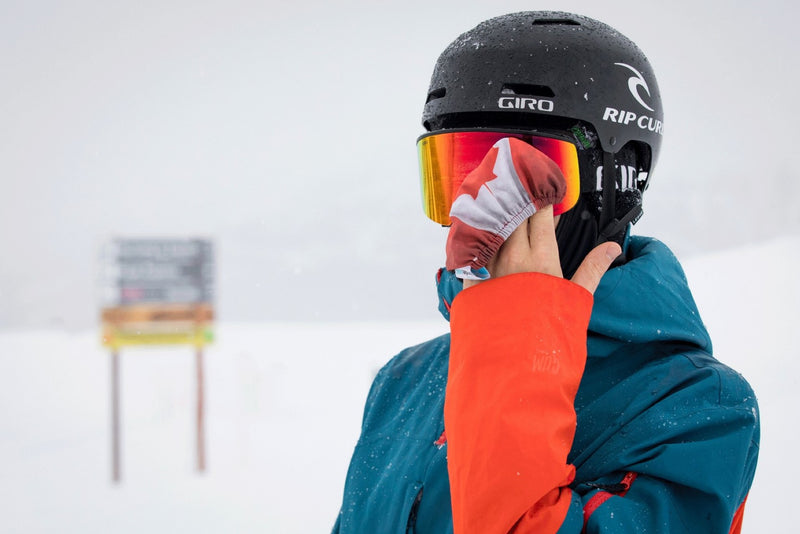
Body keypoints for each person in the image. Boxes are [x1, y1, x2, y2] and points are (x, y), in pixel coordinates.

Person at [332, 11, 759, 534]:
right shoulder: (406, 379)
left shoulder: (698, 409)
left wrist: (520, 328)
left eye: (523, 174)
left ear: (617, 182)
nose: (478, 209)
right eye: (458, 173)